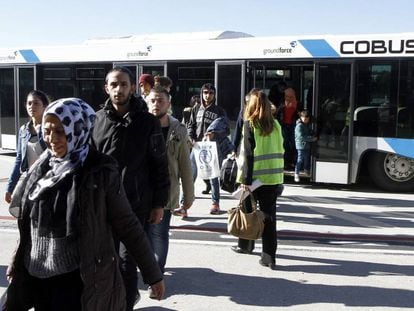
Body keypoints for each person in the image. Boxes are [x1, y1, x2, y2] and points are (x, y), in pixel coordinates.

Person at [5, 98, 165, 311]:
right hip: (38, 276)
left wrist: (152, 274)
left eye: (60, 131)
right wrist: (16, 261)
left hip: (76, 280)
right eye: (47, 130)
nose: (52, 139)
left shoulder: (99, 171)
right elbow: (28, 224)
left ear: (78, 129)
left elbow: (127, 225)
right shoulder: (42, 168)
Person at [90, 66, 170, 310]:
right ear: (106, 88)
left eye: (124, 84)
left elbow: (160, 164)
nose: (119, 89)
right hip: (102, 206)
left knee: (127, 262)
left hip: (135, 206)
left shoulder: (147, 122)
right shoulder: (97, 120)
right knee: (105, 261)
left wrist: (159, 203)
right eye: (114, 84)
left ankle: (125, 304)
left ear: (133, 87)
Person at [232, 89, 284, 269]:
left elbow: (248, 155)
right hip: (273, 178)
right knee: (269, 218)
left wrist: (245, 180)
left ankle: (246, 246)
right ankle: (269, 257)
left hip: (253, 179)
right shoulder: (276, 125)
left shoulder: (250, 124)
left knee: (248, 213)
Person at [146, 86, 194, 273]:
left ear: (169, 103)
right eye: (152, 101)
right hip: (142, 191)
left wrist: (189, 196)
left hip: (166, 191)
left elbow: (185, 166)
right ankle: (149, 267)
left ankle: (156, 273)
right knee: (143, 234)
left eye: (160, 101)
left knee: (159, 234)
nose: (156, 104)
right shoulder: (138, 125)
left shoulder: (178, 130)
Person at [187, 83, 227, 214]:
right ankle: (184, 204)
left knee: (213, 176)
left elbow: (226, 129)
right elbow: (190, 125)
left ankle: (215, 203)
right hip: (197, 145)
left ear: (214, 95)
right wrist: (191, 139)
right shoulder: (196, 108)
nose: (207, 95)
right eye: (205, 92)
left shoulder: (219, 111)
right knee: (189, 175)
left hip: (211, 147)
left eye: (210, 93)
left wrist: (214, 134)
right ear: (201, 94)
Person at [4, 91, 49, 204]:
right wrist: (10, 188)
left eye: (36, 103)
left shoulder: (50, 128)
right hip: (30, 181)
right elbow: (19, 160)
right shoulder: (23, 130)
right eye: (29, 103)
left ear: (44, 106)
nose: (32, 106)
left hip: (48, 180)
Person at [276, 87, 301, 170]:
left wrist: (295, 109)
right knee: (285, 144)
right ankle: (285, 162)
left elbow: (301, 115)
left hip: (294, 127)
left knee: (294, 144)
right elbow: (277, 113)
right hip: (284, 126)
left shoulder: (298, 104)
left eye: (291, 96)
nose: (289, 98)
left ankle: (294, 162)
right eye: (287, 96)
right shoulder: (282, 104)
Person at [294, 110, 317, 182]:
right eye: (303, 118)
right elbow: (301, 137)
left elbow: (309, 132)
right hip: (301, 145)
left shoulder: (306, 125)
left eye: (306, 119)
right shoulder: (299, 126)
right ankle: (296, 173)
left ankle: (306, 170)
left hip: (306, 145)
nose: (305, 120)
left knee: (307, 158)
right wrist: (312, 138)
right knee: (300, 159)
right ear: (301, 117)